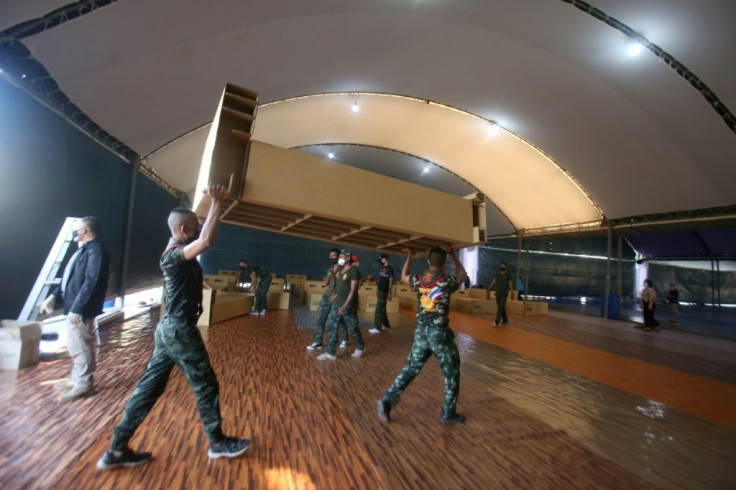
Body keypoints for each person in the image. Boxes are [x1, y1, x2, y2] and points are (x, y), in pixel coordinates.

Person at [96, 183, 250, 471]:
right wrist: (217, 202)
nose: (200, 227)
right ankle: (217, 443)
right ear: (183, 231)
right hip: (179, 330)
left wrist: (217, 207)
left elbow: (204, 235)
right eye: (195, 225)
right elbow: (205, 242)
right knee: (205, 384)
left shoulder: (181, 248)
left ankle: (116, 451)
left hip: (169, 331)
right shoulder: (173, 255)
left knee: (149, 388)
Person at [377, 247, 468, 424]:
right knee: (452, 373)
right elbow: (462, 275)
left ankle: (387, 400)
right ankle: (448, 413)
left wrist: (409, 255)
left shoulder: (418, 280)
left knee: (411, 368)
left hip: (421, 333)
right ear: (443, 264)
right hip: (439, 334)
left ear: (428, 262)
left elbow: (403, 276)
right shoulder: (447, 281)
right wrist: (453, 255)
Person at [40, 217, 110, 403]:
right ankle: (77, 378)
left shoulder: (96, 250)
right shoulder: (83, 250)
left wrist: (78, 308)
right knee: (75, 343)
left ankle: (85, 384)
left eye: (76, 228)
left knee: (81, 344)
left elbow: (91, 281)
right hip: (73, 305)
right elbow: (70, 277)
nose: (74, 232)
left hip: (80, 308)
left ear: (84, 230)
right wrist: (54, 297)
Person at [317, 249, 365, 360]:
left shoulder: (354, 271)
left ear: (348, 258)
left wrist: (345, 305)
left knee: (352, 328)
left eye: (342, 257)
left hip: (348, 305)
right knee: (331, 326)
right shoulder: (340, 271)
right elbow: (340, 288)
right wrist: (335, 296)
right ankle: (330, 352)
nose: (340, 259)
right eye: (340, 257)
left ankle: (360, 347)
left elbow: (352, 290)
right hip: (337, 303)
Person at [307, 248, 342, 350]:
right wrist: (327, 287)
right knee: (320, 318)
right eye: (330, 256)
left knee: (333, 323)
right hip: (327, 297)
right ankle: (317, 342)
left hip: (337, 299)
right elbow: (329, 281)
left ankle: (332, 345)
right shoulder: (329, 269)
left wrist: (336, 295)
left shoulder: (344, 270)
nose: (331, 258)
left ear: (339, 256)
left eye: (333, 256)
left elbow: (346, 286)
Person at [370, 253, 394, 334]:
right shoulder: (383, 268)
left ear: (385, 259)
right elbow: (381, 280)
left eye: (381, 260)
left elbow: (391, 281)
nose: (380, 261)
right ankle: (386, 325)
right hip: (380, 291)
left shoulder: (389, 269)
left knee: (379, 310)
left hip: (384, 291)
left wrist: (390, 292)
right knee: (382, 309)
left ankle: (377, 327)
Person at [487, 261, 513, 327]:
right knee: (501, 308)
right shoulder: (497, 274)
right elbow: (494, 281)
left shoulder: (508, 275)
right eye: (501, 265)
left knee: (500, 308)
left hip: (504, 294)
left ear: (506, 267)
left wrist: (512, 292)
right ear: (500, 266)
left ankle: (496, 322)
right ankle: (505, 321)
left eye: (503, 265)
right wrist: (489, 288)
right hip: (498, 293)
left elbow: (510, 283)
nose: (502, 266)